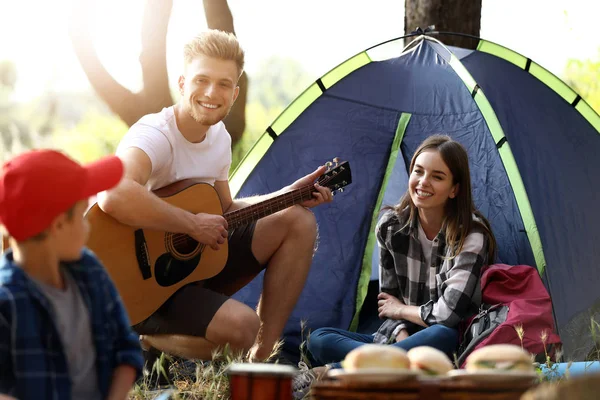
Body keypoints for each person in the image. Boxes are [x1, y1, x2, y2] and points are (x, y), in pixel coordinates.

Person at [97, 29, 333, 366]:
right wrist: (191, 223)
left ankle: (260, 364)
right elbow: (113, 192)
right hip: (136, 286)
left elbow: (224, 211)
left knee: (298, 220)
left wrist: (286, 197)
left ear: (235, 93)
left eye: (223, 84)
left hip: (187, 269)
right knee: (242, 330)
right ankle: (142, 336)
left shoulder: (218, 137)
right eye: (201, 80)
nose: (211, 92)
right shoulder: (154, 135)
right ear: (182, 83)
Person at [293, 134, 497, 397]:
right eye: (418, 172)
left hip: (444, 341)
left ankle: (332, 373)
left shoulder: (470, 236)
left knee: (441, 334)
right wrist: (400, 338)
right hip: (401, 340)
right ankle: (393, 366)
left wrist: (401, 310)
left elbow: (448, 315)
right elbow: (388, 303)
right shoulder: (391, 227)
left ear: (454, 189)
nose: (423, 182)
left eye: (437, 176)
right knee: (318, 339)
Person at [0, 150, 143, 400]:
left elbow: (126, 346)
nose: (87, 227)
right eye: (82, 216)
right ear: (58, 226)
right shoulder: (6, 303)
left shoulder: (90, 269)